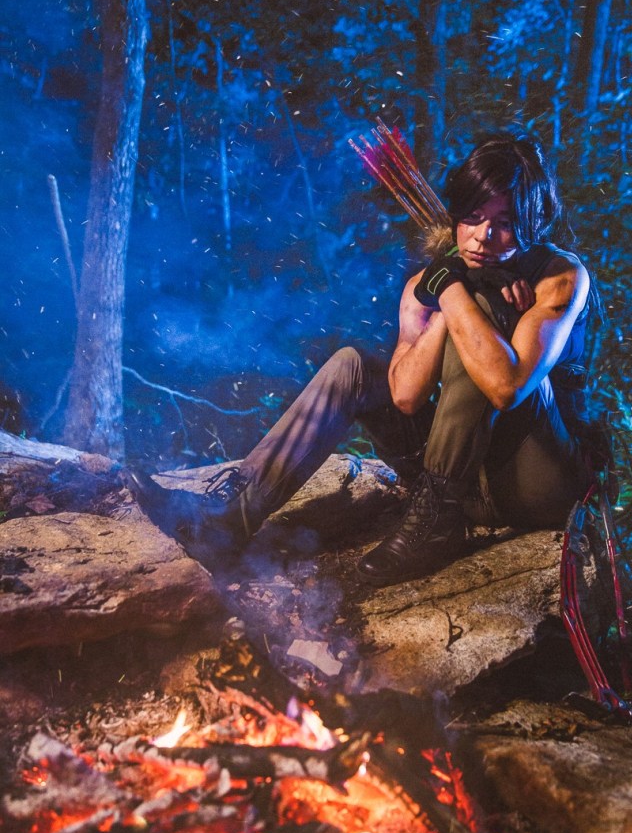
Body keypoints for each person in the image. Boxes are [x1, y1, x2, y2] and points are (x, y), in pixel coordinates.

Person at [128, 130, 593, 586]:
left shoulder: (560, 276)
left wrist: (467, 300)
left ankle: (436, 523)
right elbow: (406, 396)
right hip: (462, 485)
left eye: (505, 222)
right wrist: (455, 295)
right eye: (471, 217)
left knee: (484, 326)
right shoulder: (432, 282)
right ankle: (234, 517)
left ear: (535, 222)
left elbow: (506, 387)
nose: (483, 236)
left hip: (533, 486)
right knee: (352, 365)